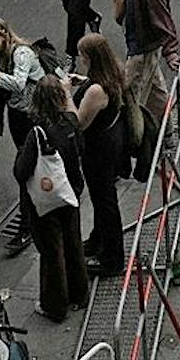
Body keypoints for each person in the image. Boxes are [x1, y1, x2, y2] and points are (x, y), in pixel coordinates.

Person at [14, 74, 88, 324]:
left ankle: (55, 305)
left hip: (45, 203)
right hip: (70, 193)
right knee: (73, 243)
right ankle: (80, 293)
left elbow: (22, 172)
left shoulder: (37, 133)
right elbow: (81, 150)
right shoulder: (69, 121)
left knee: (51, 252)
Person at [112, 0, 180, 177]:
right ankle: (168, 133)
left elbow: (162, 16)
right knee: (157, 92)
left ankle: (139, 148)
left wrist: (171, 50)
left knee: (132, 98)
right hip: (141, 44)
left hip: (142, 48)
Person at [70, 32, 127, 275]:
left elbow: (79, 122)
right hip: (110, 146)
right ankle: (97, 239)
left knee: (104, 200)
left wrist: (65, 93)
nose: (80, 59)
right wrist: (81, 80)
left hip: (98, 151)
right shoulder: (112, 74)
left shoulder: (95, 91)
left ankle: (112, 259)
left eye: (83, 55)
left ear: (91, 57)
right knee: (101, 197)